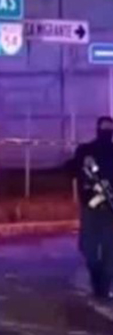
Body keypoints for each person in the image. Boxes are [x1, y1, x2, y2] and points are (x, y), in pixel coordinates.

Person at [73, 116, 113, 300]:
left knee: (100, 249)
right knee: (97, 249)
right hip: (94, 207)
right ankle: (101, 283)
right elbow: (72, 169)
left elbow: (70, 170)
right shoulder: (85, 151)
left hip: (100, 209)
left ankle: (102, 285)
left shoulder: (85, 150)